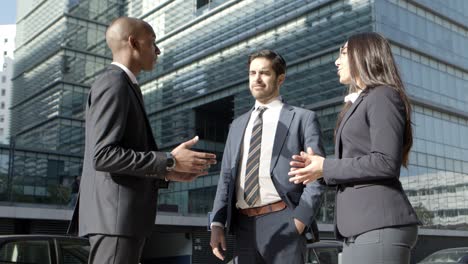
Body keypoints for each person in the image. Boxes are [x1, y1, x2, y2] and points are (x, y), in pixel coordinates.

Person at [68, 17, 217, 264]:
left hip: (121, 220)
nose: (157, 50)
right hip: (116, 219)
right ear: (133, 43)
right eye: (153, 42)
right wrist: (169, 161)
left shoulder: (123, 84)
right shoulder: (114, 83)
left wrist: (168, 172)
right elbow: (103, 155)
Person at [288, 32, 420, 264]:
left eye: (344, 53)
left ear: (365, 55)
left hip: (379, 223)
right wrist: (317, 171)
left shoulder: (383, 96)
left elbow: (385, 162)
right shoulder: (358, 103)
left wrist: (326, 166)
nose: (336, 61)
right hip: (360, 227)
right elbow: (355, 164)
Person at [210, 50, 325, 264]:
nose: (257, 79)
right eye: (252, 73)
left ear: (280, 78)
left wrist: (300, 220)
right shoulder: (236, 126)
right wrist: (217, 223)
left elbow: (316, 175)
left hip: (284, 219)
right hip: (243, 226)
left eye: (264, 73)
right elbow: (226, 178)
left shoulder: (302, 119)